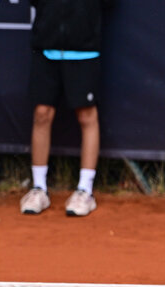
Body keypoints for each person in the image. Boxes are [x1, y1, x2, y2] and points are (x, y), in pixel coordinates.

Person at [19, 0, 112, 217]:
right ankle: (39, 188)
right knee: (42, 113)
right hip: (46, 45)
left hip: (84, 49)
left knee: (86, 115)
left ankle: (85, 190)